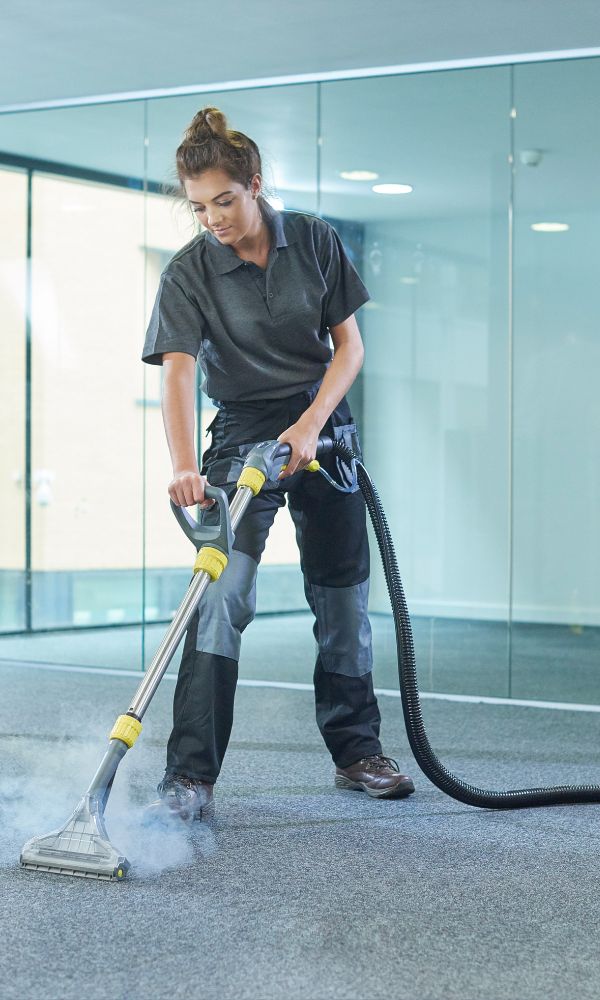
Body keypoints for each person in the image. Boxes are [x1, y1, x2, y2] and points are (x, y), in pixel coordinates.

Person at [142, 107, 414, 820]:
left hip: (321, 422)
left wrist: (310, 425)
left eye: (224, 201)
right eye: (199, 207)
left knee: (342, 595)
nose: (213, 219)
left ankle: (358, 752)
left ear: (255, 185)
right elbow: (175, 373)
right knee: (222, 592)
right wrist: (182, 466)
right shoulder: (189, 271)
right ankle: (190, 776)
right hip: (240, 431)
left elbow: (349, 348)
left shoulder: (316, 241)